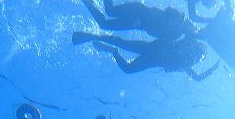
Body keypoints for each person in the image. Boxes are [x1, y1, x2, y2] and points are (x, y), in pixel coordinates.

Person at [74, 0, 195, 41]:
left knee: (105, 21)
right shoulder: (179, 19)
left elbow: (157, 36)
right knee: (109, 13)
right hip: (139, 14)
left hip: (138, 21)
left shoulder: (175, 34)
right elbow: (164, 14)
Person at [72, 31, 219, 81]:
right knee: (124, 47)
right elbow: (197, 77)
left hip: (152, 55)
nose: (198, 58)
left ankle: (108, 47)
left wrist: (213, 68)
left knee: (123, 48)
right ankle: (96, 39)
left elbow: (197, 77)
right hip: (153, 52)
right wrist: (213, 68)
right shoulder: (188, 52)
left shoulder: (187, 60)